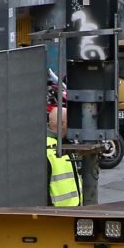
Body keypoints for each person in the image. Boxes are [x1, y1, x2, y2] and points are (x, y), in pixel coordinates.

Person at [46, 75, 80, 208]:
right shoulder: (49, 149)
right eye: (68, 123)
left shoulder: (63, 144)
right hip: (58, 216)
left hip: (70, 212)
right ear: (62, 124)